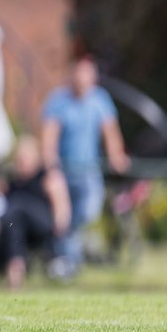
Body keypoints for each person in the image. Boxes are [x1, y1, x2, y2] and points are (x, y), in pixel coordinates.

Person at [41, 55, 129, 276]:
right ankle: (68, 262)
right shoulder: (58, 101)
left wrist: (117, 156)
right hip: (64, 175)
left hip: (89, 175)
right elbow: (49, 139)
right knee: (63, 219)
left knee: (86, 215)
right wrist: (52, 170)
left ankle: (68, 259)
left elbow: (110, 133)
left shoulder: (100, 100)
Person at [0, 135, 71, 289]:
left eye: (26, 156)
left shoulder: (47, 177)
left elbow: (61, 209)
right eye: (20, 157)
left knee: (17, 207)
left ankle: (11, 265)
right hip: (16, 229)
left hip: (43, 226)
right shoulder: (11, 182)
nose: (22, 161)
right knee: (10, 225)